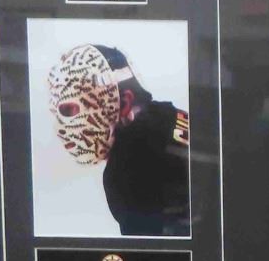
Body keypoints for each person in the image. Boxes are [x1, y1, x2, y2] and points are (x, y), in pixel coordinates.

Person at [45, 43, 191, 237]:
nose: (62, 127)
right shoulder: (172, 115)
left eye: (71, 109)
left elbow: (153, 254)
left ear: (125, 102)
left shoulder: (125, 171)